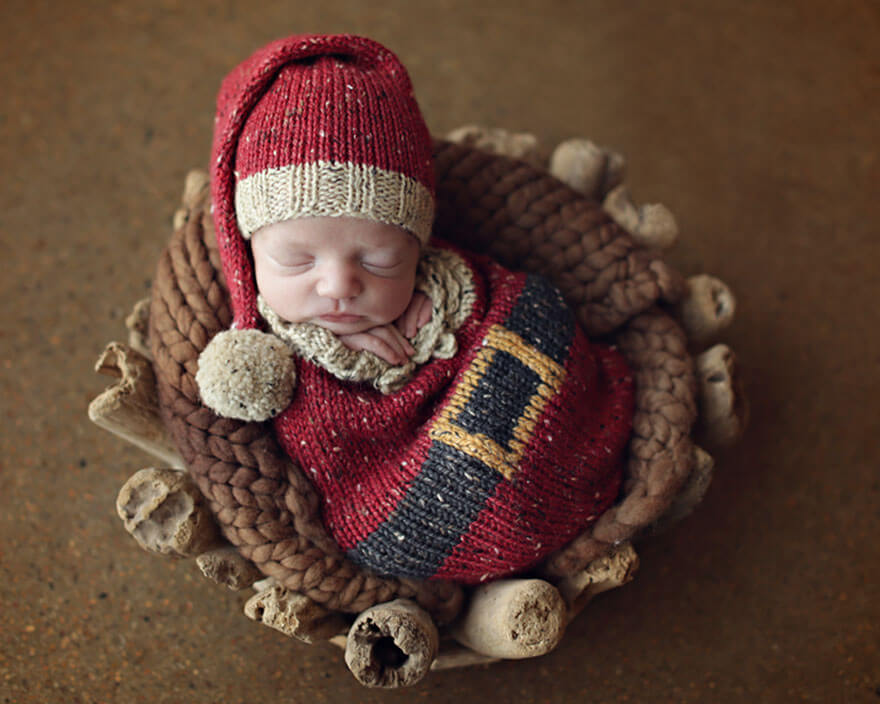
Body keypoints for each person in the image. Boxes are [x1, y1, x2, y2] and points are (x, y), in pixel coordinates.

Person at [196, 33, 635, 584]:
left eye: (379, 261)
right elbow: (321, 449)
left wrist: (448, 316)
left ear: (421, 246)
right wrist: (329, 357)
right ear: (248, 251)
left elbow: (528, 308)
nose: (338, 286)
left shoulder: (450, 282)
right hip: (397, 495)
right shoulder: (261, 353)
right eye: (295, 260)